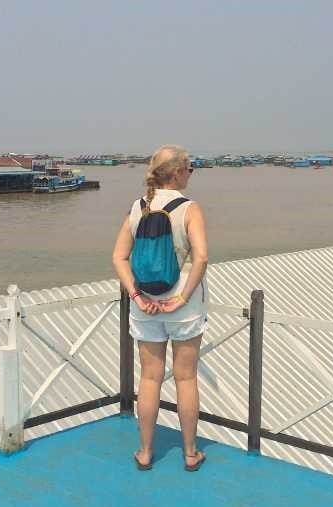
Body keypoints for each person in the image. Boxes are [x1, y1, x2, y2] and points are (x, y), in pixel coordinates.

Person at [112, 144, 209, 472]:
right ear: (178, 172)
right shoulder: (189, 208)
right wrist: (181, 298)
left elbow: (119, 257)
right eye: (190, 169)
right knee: (186, 378)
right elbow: (201, 258)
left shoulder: (137, 207)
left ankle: (145, 451)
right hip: (182, 305)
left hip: (146, 303)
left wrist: (137, 296)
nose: (191, 174)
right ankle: (190, 452)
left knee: (150, 378)